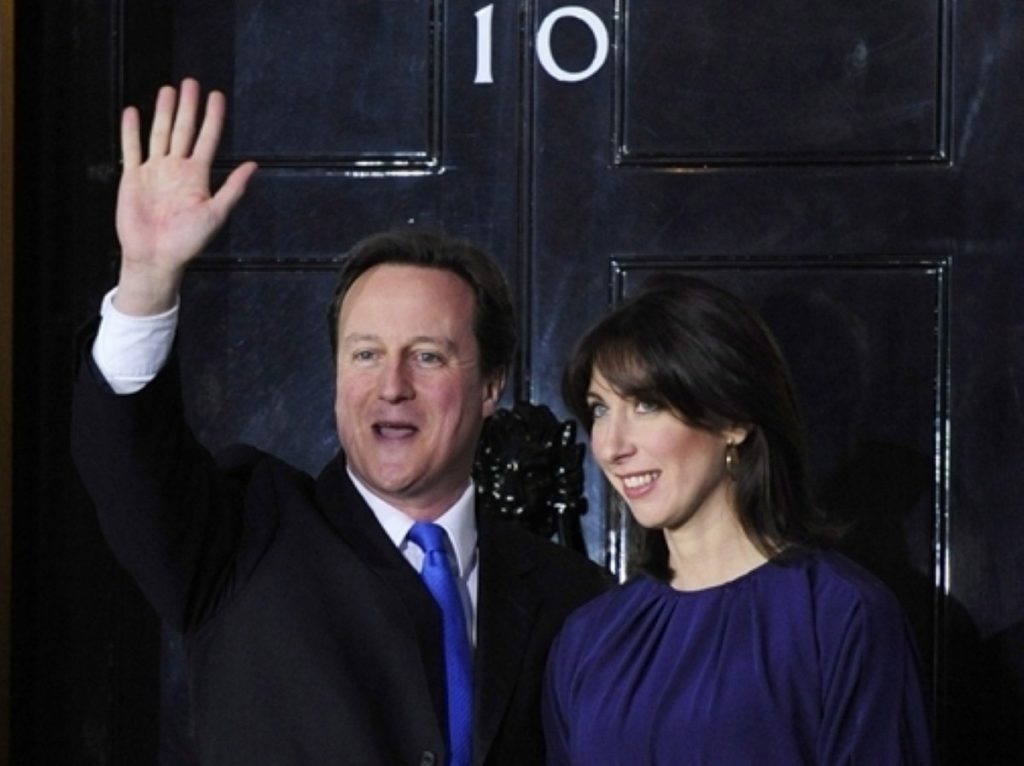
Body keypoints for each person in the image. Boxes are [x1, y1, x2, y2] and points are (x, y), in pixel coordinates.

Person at [71, 78, 609, 765]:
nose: (392, 386)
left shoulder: (573, 597)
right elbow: (126, 457)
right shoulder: (240, 537)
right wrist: (147, 281)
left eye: (428, 356)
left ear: (490, 388)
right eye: (365, 354)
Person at [543, 276, 935, 764]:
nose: (611, 445)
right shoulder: (588, 638)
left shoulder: (841, 616)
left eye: (647, 404)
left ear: (734, 420)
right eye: (600, 409)